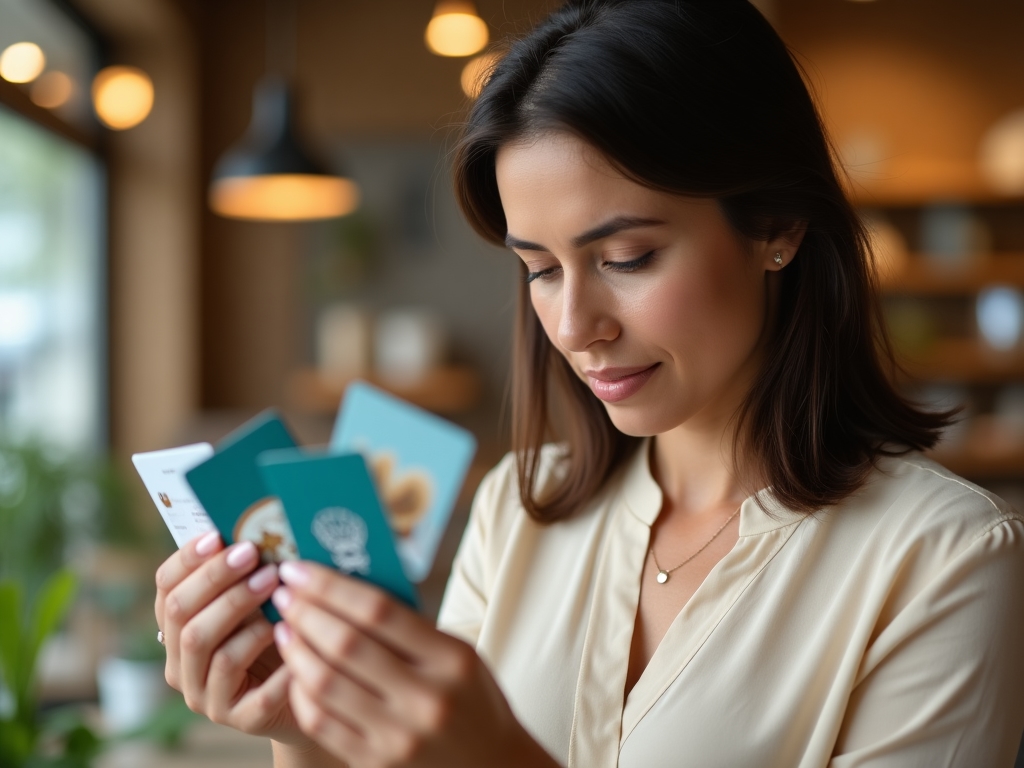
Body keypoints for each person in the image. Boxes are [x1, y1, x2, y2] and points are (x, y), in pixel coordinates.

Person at [154, 1, 1024, 765]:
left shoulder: (943, 559)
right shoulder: (517, 507)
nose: (574, 326)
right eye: (539, 269)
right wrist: (305, 730)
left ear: (777, 225)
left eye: (626, 258)